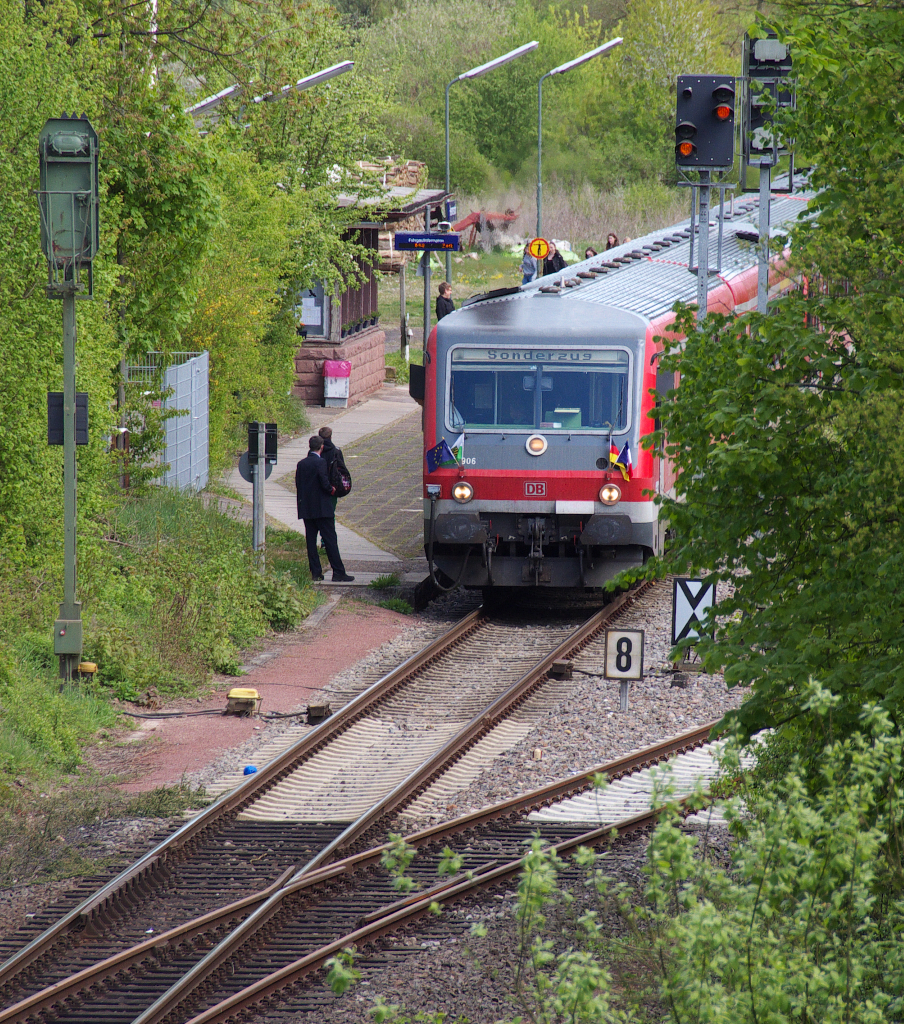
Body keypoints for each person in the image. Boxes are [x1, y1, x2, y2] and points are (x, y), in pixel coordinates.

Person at [296, 435, 354, 583]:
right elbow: (324, 482)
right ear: (321, 447)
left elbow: (298, 484)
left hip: (307, 508)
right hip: (322, 508)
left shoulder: (301, 464)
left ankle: (316, 573)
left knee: (311, 541)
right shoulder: (320, 463)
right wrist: (332, 490)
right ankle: (338, 572)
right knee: (330, 540)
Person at [318, 425, 342, 512]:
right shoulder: (336, 451)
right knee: (330, 513)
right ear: (331, 437)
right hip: (332, 485)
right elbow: (341, 469)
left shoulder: (316, 450)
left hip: (318, 486)